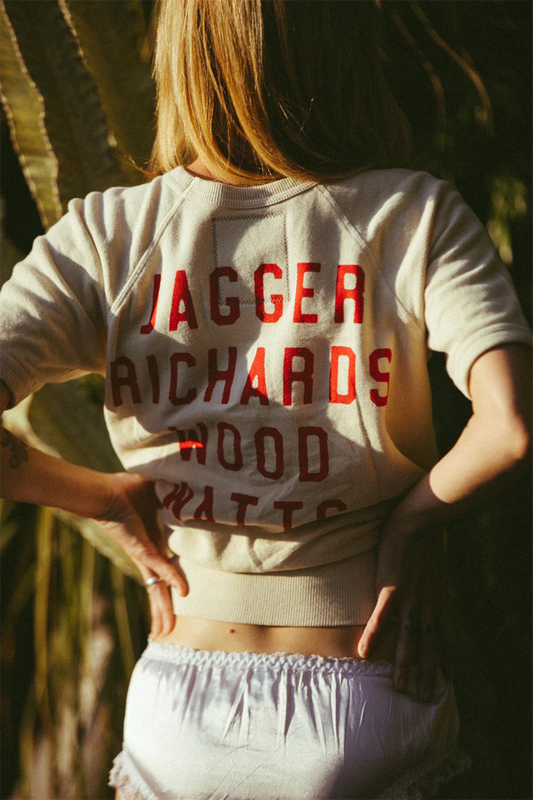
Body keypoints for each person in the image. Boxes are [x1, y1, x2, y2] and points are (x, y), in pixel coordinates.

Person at [1, 0, 533, 797]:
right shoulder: (411, 214)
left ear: (178, 53)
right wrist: (415, 519)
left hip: (178, 700)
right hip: (368, 683)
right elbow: (509, 427)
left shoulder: (106, 236)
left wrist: (99, 497)